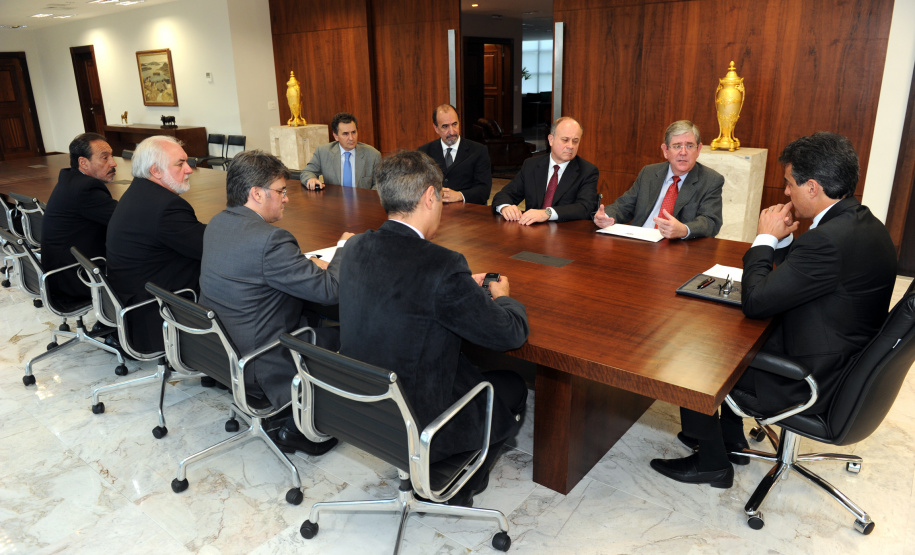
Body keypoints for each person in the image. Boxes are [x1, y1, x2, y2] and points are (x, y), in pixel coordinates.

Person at [650, 132, 897, 489]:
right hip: (842, 354)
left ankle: (712, 464)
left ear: (812, 187)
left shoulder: (827, 240)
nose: (786, 193)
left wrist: (764, 238)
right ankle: (728, 439)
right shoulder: (860, 223)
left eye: (789, 184)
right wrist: (781, 241)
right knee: (720, 329)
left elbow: (756, 302)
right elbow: (806, 273)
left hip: (810, 376)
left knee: (694, 349)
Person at [338, 150, 529, 506]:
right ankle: (458, 482)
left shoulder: (355, 247)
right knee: (513, 385)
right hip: (420, 420)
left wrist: (459, 286)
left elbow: (403, 290)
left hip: (363, 409)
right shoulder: (443, 266)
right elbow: (509, 334)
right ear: (430, 197)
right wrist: (502, 297)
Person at [199, 150, 350, 456]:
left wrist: (301, 267)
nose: (287, 198)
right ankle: (303, 427)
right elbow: (330, 290)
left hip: (221, 354)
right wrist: (345, 248)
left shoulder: (217, 223)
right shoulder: (271, 240)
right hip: (263, 363)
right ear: (256, 193)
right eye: (281, 191)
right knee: (353, 335)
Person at [106, 135, 206, 352]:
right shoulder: (166, 207)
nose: (189, 169)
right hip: (156, 314)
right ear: (156, 171)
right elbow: (209, 249)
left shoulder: (139, 193)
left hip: (132, 301)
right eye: (180, 163)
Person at [594, 120, 724, 239]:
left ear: (698, 149)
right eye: (677, 146)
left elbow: (711, 221)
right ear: (665, 150)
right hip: (639, 241)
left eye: (689, 146)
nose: (683, 152)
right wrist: (605, 217)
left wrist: (684, 230)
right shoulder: (649, 173)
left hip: (677, 249)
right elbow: (624, 205)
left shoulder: (711, 180)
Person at [41, 133, 118, 302]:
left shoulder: (71, 179)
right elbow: (125, 221)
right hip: (77, 277)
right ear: (83, 162)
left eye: (112, 156)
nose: (113, 163)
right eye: (105, 158)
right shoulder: (86, 189)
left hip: (61, 272)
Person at [492, 117, 598, 224]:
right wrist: (505, 207)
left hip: (566, 233)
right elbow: (505, 194)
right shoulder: (531, 165)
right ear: (551, 140)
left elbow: (585, 208)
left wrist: (548, 213)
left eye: (575, 141)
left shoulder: (587, 171)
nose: (571, 146)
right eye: (565, 140)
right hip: (532, 231)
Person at [417, 104, 492, 205]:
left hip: (469, 212)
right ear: (436, 128)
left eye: (454, 124)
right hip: (436, 212)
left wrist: (460, 195)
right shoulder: (424, 152)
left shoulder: (478, 151)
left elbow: (484, 190)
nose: (452, 131)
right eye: (445, 126)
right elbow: (417, 188)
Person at [300, 112, 381, 190]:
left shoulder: (373, 155)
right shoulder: (323, 152)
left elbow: (380, 184)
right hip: (334, 201)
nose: (351, 138)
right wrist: (311, 179)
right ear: (336, 136)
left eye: (353, 132)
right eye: (345, 134)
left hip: (363, 202)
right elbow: (307, 172)